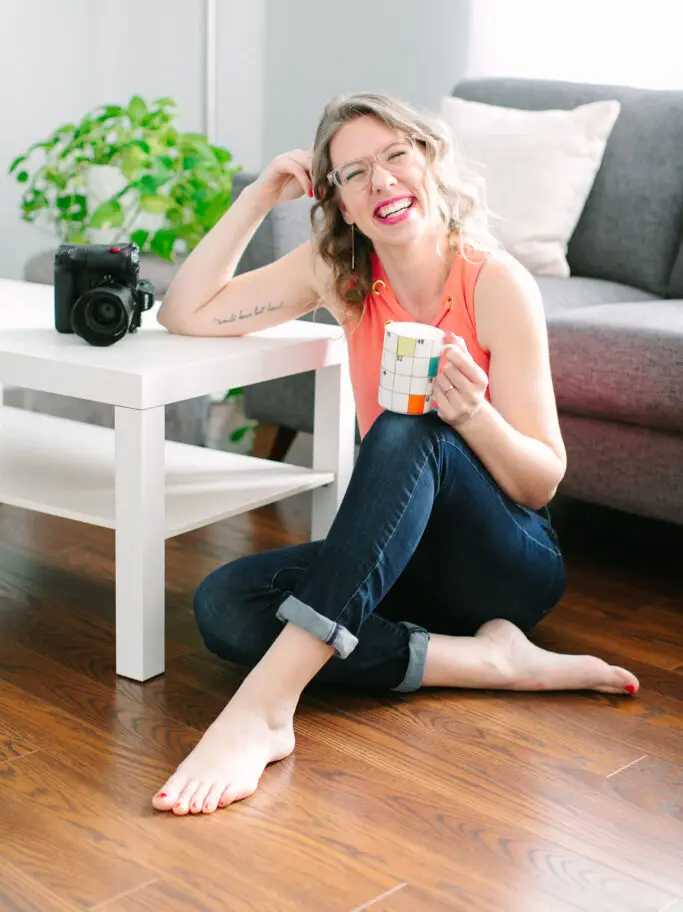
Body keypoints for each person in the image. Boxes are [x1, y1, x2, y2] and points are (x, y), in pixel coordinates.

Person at [152, 93, 639, 817]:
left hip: (505, 563)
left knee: (410, 426)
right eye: (352, 174)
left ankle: (263, 711)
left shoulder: (493, 282)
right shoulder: (340, 275)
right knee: (224, 604)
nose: (379, 181)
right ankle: (488, 663)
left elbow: (540, 482)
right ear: (341, 206)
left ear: (429, 162)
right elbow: (184, 313)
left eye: (394, 156)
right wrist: (258, 198)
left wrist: (470, 414)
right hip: (397, 566)